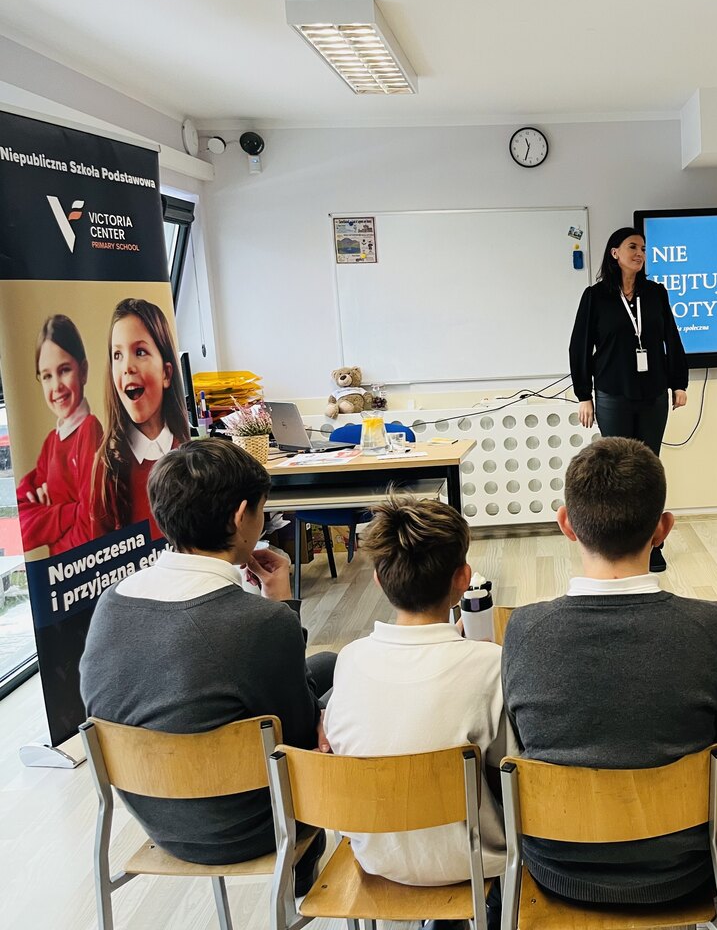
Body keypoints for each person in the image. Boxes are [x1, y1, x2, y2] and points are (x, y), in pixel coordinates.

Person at [80, 439, 334, 889]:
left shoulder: (111, 601)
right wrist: (281, 607)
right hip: (255, 824)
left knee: (326, 663)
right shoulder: (259, 622)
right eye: (262, 511)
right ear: (241, 516)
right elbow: (296, 737)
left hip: (158, 817)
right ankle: (327, 861)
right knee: (344, 693)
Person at [502, 437, 717, 905]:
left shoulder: (525, 629)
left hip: (557, 870)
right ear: (663, 529)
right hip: (684, 871)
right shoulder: (710, 626)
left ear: (566, 524)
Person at [323, 492, 511, 927]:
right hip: (477, 858)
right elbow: (511, 767)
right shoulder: (490, 664)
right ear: (463, 579)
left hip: (376, 857)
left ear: (378, 579)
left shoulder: (349, 660)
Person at [569, 227, 689, 572]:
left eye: (643, 248)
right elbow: (579, 346)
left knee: (649, 470)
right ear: (614, 253)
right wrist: (584, 395)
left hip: (653, 394)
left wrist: (679, 382)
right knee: (620, 472)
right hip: (612, 394)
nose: (640, 253)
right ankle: (620, 544)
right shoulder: (595, 297)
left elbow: (671, 338)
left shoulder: (655, 293)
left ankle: (652, 545)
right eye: (633, 247)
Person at [92, 298, 190, 540]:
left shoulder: (189, 454)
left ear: (166, 373)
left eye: (140, 352)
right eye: (117, 355)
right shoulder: (106, 466)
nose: (127, 366)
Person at [17, 314, 103, 555]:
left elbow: (91, 531)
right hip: (60, 570)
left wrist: (47, 515)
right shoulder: (51, 442)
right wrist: (71, 511)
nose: (56, 386)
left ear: (83, 371)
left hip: (79, 569)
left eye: (64, 370)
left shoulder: (89, 431)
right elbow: (21, 527)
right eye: (46, 376)